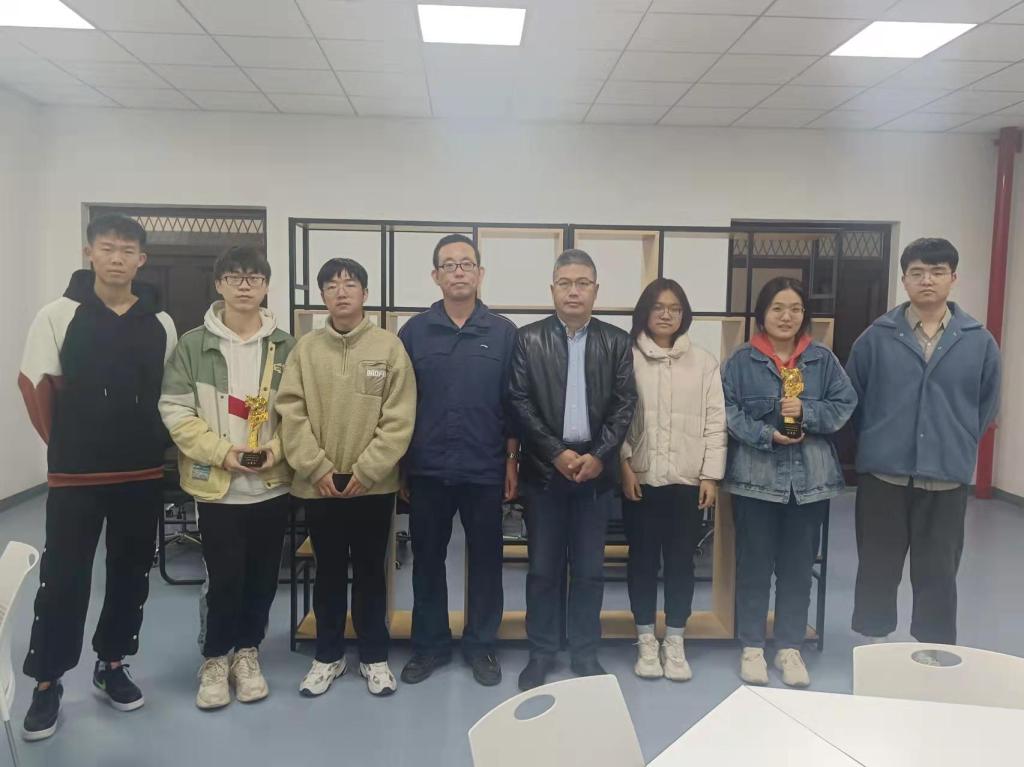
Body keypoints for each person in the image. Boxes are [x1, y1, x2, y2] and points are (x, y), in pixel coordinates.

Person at [17, 213, 177, 740]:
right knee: (64, 578)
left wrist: (152, 441)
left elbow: (169, 393)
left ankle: (112, 664)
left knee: (131, 573)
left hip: (141, 470)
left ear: (141, 260)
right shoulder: (58, 314)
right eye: (107, 248)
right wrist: (66, 447)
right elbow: (35, 385)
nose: (116, 258)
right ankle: (47, 681)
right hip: (75, 474)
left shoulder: (161, 322)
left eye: (127, 250)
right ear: (89, 253)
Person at [159, 245, 295, 710]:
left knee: (263, 577)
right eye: (234, 277)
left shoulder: (286, 346)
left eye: (254, 278)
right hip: (217, 486)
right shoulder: (193, 345)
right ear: (219, 284)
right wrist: (222, 452)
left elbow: (301, 413)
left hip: (272, 484)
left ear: (266, 286)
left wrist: (275, 450)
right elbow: (175, 410)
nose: (244, 286)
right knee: (223, 578)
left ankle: (248, 654)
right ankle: (216, 658)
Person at [847, 238, 1001, 646]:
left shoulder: (979, 341)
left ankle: (932, 650)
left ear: (953, 278)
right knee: (877, 565)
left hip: (946, 476)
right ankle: (875, 643)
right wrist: (880, 441)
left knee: (938, 571)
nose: (926, 280)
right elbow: (854, 400)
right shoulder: (876, 338)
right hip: (884, 475)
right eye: (917, 272)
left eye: (936, 272)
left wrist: (958, 440)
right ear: (904, 280)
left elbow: (985, 406)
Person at [276, 258, 415, 698]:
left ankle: (374, 656)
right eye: (332, 285)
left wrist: (367, 470)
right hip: (318, 485)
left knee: (372, 572)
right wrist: (315, 467)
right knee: (329, 572)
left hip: (372, 486)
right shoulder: (305, 350)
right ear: (322, 295)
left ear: (364, 294)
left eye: (350, 284)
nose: (341, 292)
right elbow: (290, 411)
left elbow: (399, 417)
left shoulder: (389, 348)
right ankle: (328, 655)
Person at [508, 249, 637, 691]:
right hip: (546, 472)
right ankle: (541, 652)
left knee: (589, 571)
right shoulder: (528, 340)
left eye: (583, 283)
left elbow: (625, 404)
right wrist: (555, 453)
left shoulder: (616, 342)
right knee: (543, 570)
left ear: (596, 290)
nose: (574, 291)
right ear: (552, 290)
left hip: (595, 474)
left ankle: (584, 653)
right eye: (565, 283)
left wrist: (599, 455)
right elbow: (519, 401)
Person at [722, 277, 856, 688]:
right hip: (755, 479)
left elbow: (845, 403)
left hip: (809, 483)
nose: (786, 316)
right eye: (777, 308)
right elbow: (727, 410)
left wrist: (807, 413)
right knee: (754, 567)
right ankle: (751, 646)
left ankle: (789, 647)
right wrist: (767, 434)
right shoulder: (742, 360)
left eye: (795, 309)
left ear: (804, 314)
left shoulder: (821, 359)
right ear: (762, 313)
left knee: (798, 568)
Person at [397, 234, 518, 688]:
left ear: (480, 273)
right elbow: (399, 403)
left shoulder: (503, 333)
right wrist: (401, 465)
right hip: (428, 467)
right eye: (449, 265)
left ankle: (481, 645)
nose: (459, 271)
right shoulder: (414, 332)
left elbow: (514, 402)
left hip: (484, 466)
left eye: (466, 263)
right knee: (427, 560)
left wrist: (512, 460)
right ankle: (429, 646)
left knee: (486, 560)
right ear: (436, 276)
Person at [620, 278, 726, 681]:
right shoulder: (626, 358)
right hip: (641, 479)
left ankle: (676, 640)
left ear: (685, 314)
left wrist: (710, 475)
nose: (666, 314)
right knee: (642, 561)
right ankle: (646, 639)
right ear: (645, 312)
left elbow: (715, 422)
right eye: (659, 307)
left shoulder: (703, 362)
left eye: (675, 308)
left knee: (682, 562)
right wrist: (624, 464)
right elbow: (615, 417)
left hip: (687, 480)